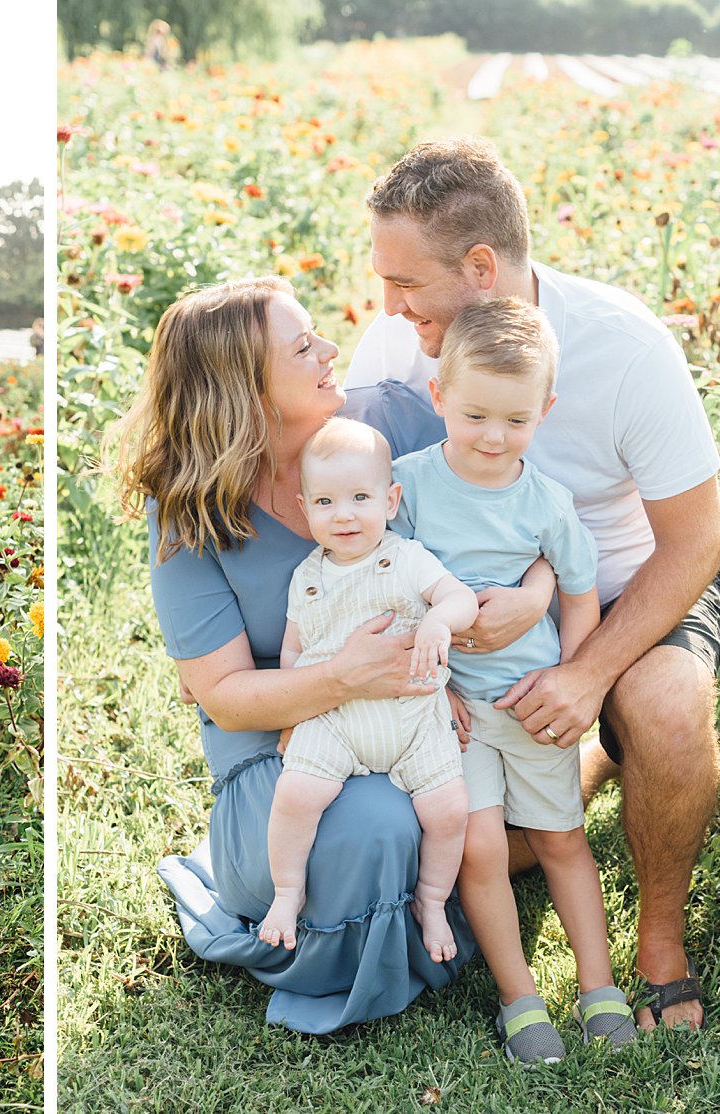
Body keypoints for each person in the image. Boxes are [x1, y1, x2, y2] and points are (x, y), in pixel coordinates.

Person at [346, 137, 720, 1030]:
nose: (390, 306)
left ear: (481, 268)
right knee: (418, 820)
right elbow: (361, 521)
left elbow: (694, 544)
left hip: (628, 590)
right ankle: (575, 776)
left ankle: (660, 940)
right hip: (452, 617)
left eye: (404, 284)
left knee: (668, 709)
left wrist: (585, 670)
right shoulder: (397, 351)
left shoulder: (625, 349)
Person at [112, 275, 503, 1034]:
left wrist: (506, 611)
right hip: (278, 746)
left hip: (417, 711)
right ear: (245, 391)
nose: (331, 350)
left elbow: (510, 512)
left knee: (468, 808)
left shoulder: (394, 423)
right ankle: (366, 918)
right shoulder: (190, 507)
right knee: (378, 828)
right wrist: (340, 678)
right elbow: (221, 693)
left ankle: (467, 875)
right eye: (302, 349)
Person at [394, 297, 636, 1062]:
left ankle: (599, 987)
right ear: (438, 396)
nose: (494, 438)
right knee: (481, 850)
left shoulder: (547, 503)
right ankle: (520, 998)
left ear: (544, 412)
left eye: (515, 421)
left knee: (563, 839)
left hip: (531, 705)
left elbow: (576, 591)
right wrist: (436, 691)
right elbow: (389, 587)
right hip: (453, 713)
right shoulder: (410, 489)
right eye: (473, 416)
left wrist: (574, 679)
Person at [258, 418, 475, 963]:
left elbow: (460, 598)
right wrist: (291, 714)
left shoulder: (406, 558)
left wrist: (438, 623)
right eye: (327, 501)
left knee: (449, 810)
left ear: (391, 498)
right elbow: (293, 652)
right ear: (305, 510)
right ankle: (287, 894)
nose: (345, 514)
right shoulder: (306, 577)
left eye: (360, 497)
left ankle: (432, 899)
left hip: (413, 716)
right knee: (295, 797)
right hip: (334, 720)